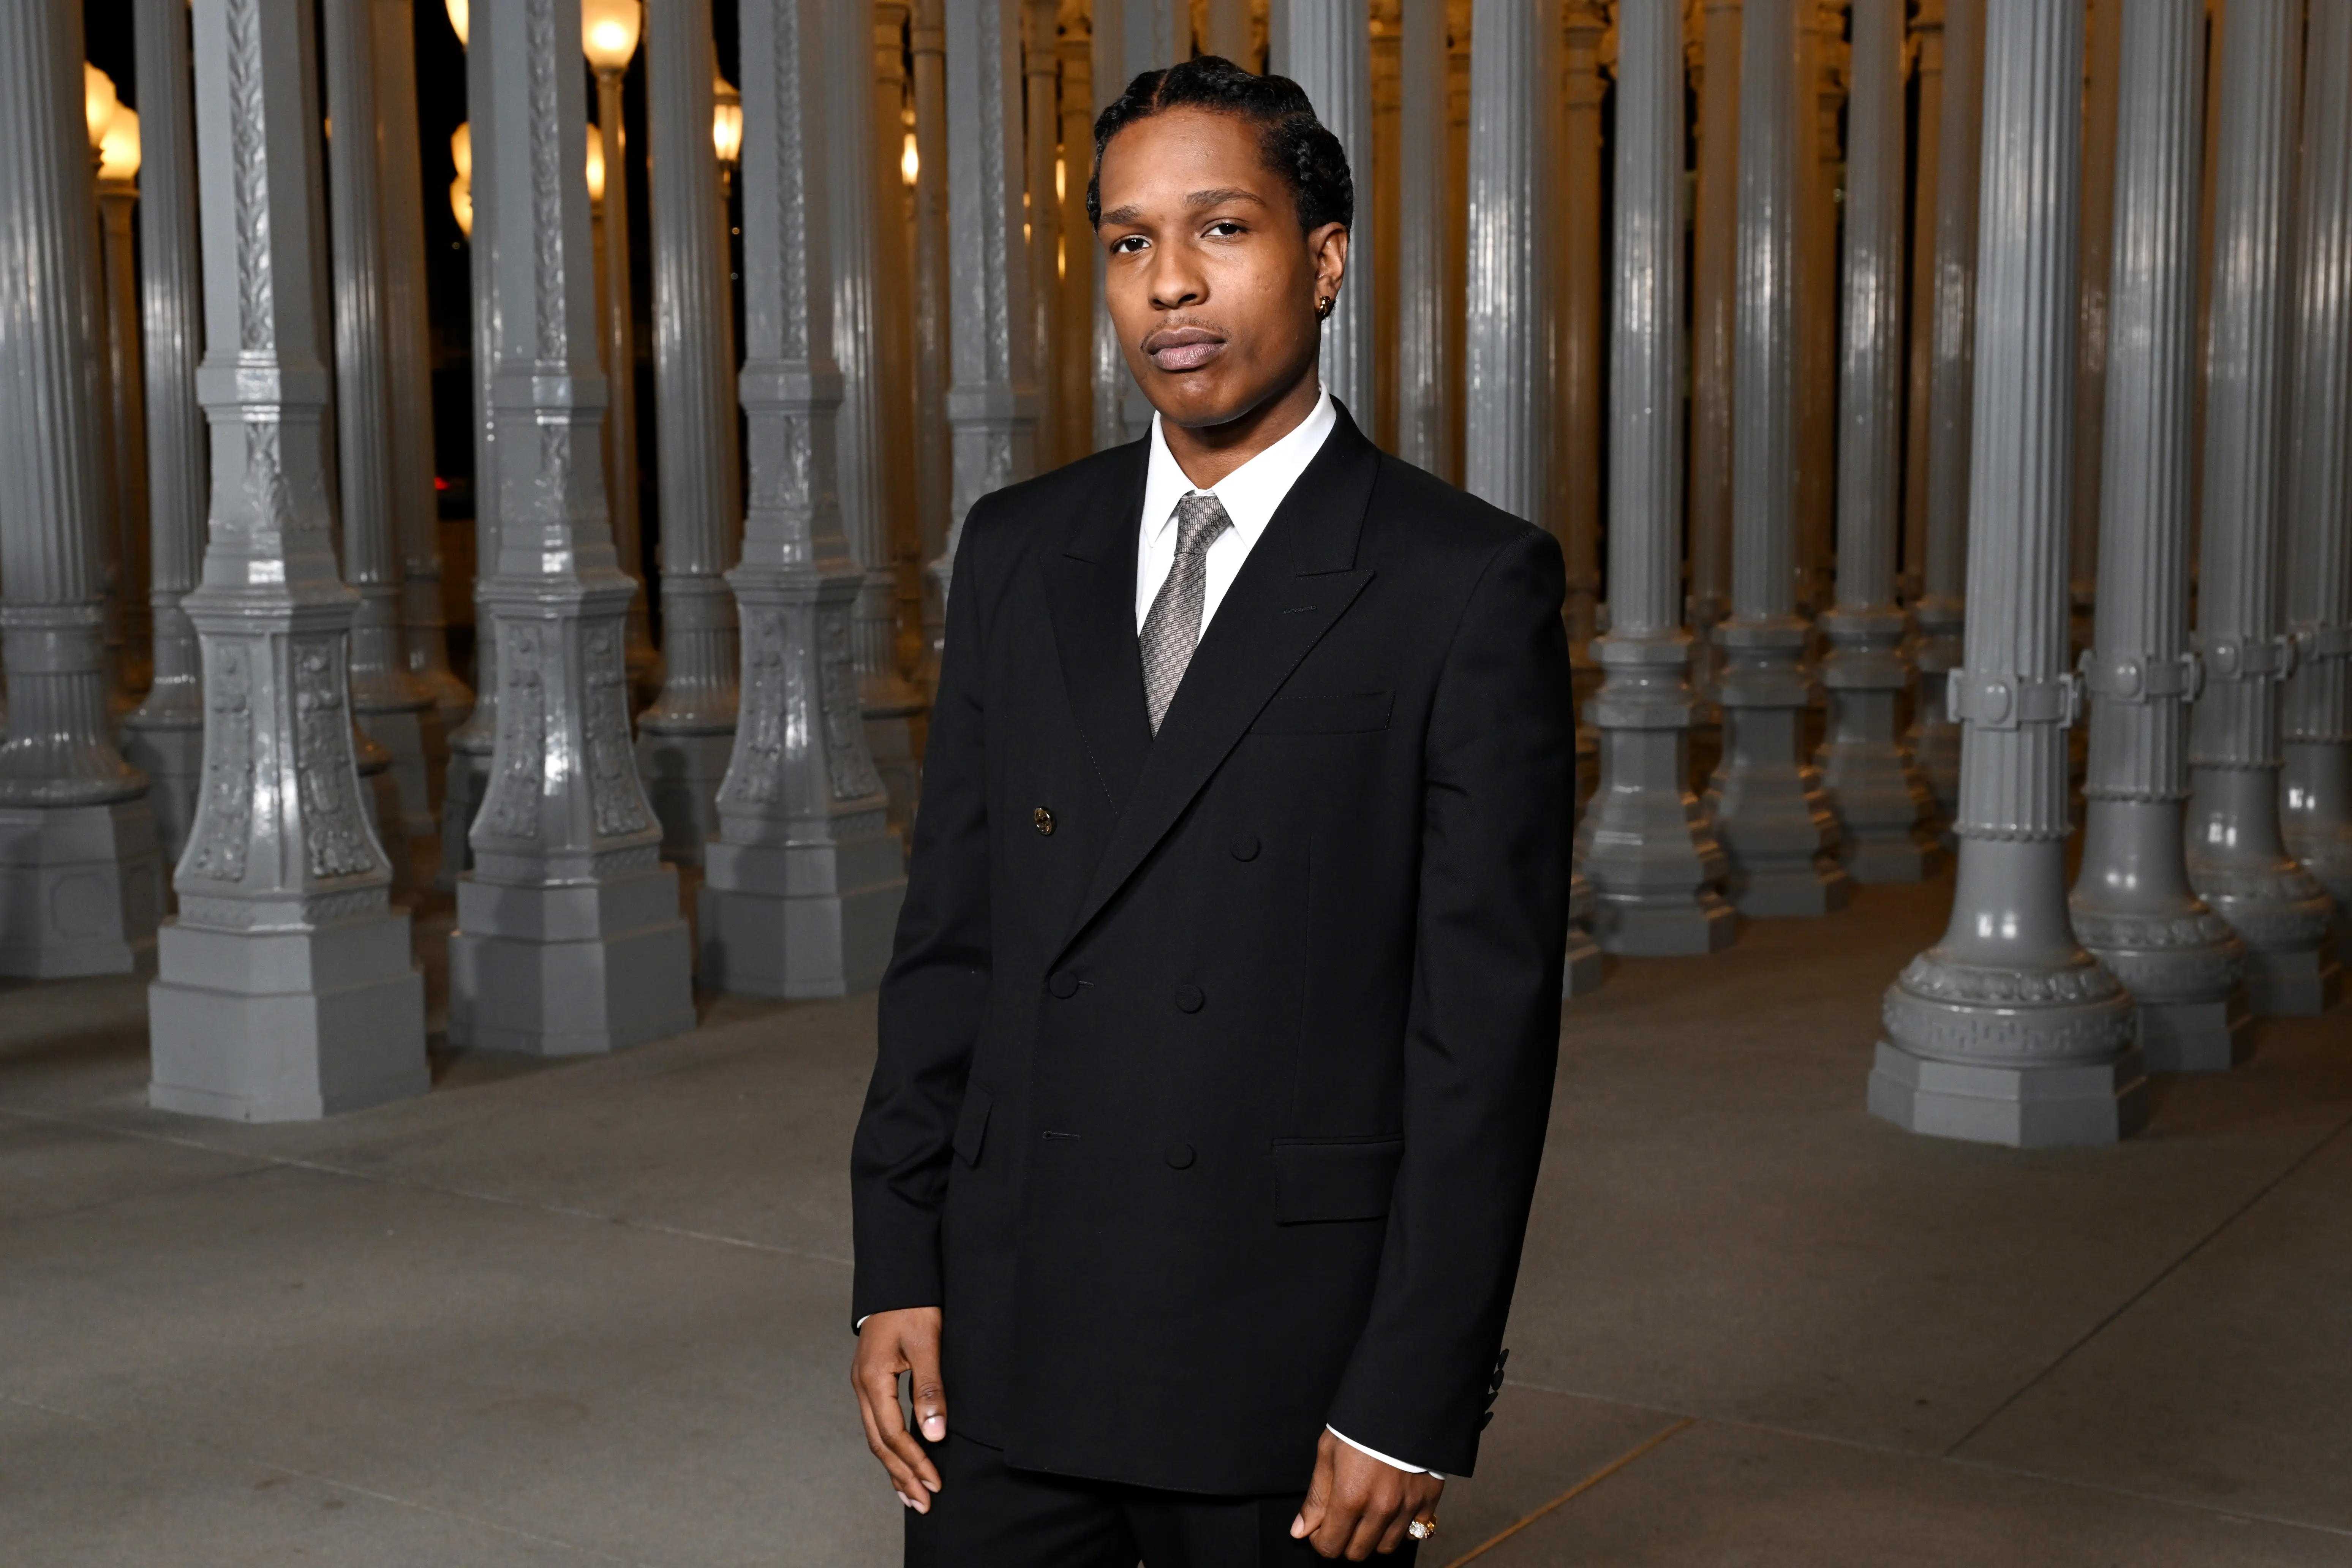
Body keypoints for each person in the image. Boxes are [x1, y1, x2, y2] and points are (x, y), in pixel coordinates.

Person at [849, 54, 1574, 1568]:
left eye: (1221, 230)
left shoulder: (1461, 583)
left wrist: (1411, 1395)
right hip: (1011, 1337)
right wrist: (896, 1265)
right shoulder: (1018, 548)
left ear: (1324, 261)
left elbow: (1479, 1038)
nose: (1170, 285)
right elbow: (952, 943)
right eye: (1128, 243)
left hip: (1280, 1365)